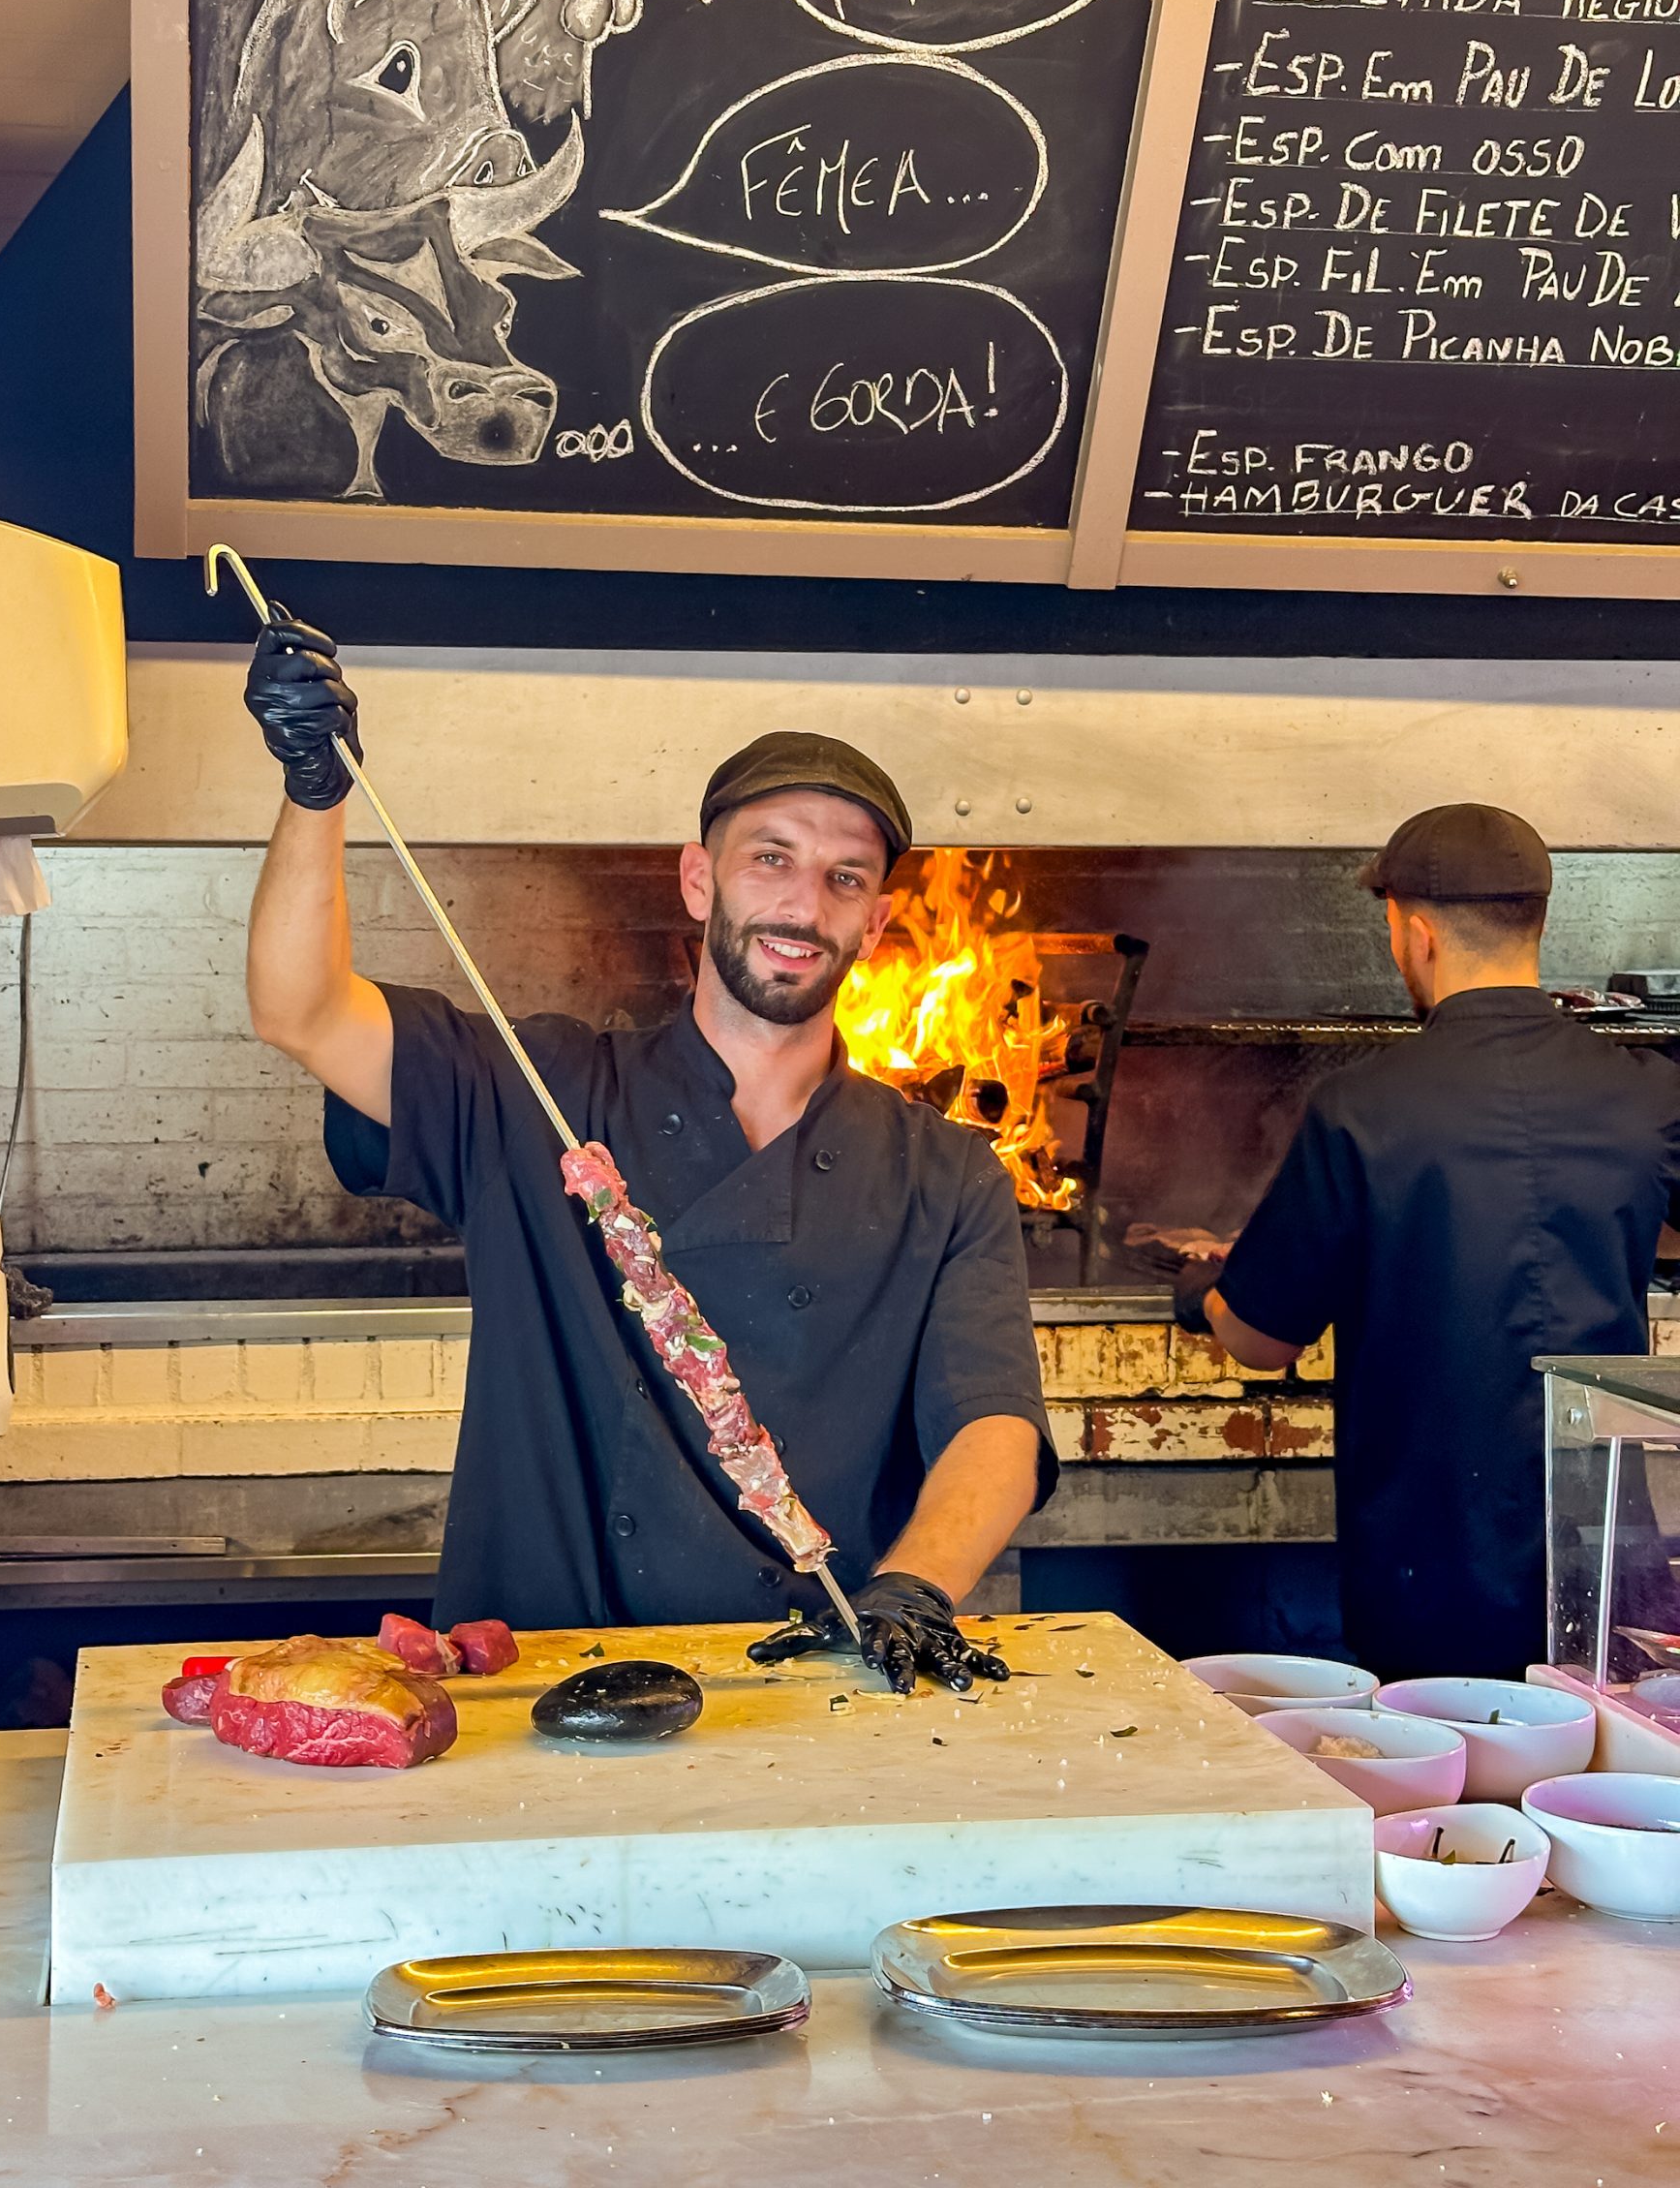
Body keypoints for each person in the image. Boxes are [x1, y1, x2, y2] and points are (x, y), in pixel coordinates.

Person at [240, 613, 1054, 1693]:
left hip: (817, 1688)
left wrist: (917, 1588)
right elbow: (299, 1009)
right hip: (535, 1684)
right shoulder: (541, 1092)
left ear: (879, 921)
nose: (803, 905)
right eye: (771, 859)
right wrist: (315, 791)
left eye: (845, 879)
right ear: (697, 880)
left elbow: (994, 1422)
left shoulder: (946, 1175)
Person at [1176, 803, 1680, 1680]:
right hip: (1605, 1562)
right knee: (1598, 1789)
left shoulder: (1364, 1106)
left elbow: (1261, 1341)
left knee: (1442, 1797)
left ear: (1415, 933)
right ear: (1541, 921)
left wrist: (1204, 1287)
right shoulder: (1646, 1094)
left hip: (1428, 1566)